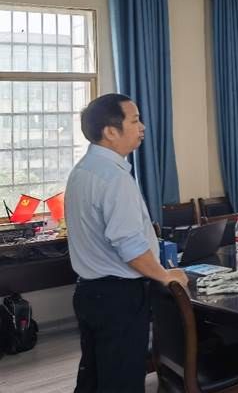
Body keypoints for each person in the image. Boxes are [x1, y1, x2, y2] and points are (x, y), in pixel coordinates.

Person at [65, 93, 189, 393]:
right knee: (122, 380)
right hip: (118, 298)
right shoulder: (114, 178)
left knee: (94, 376)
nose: (142, 127)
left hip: (90, 292)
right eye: (134, 121)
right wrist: (166, 276)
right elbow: (131, 249)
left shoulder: (82, 171)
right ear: (111, 131)